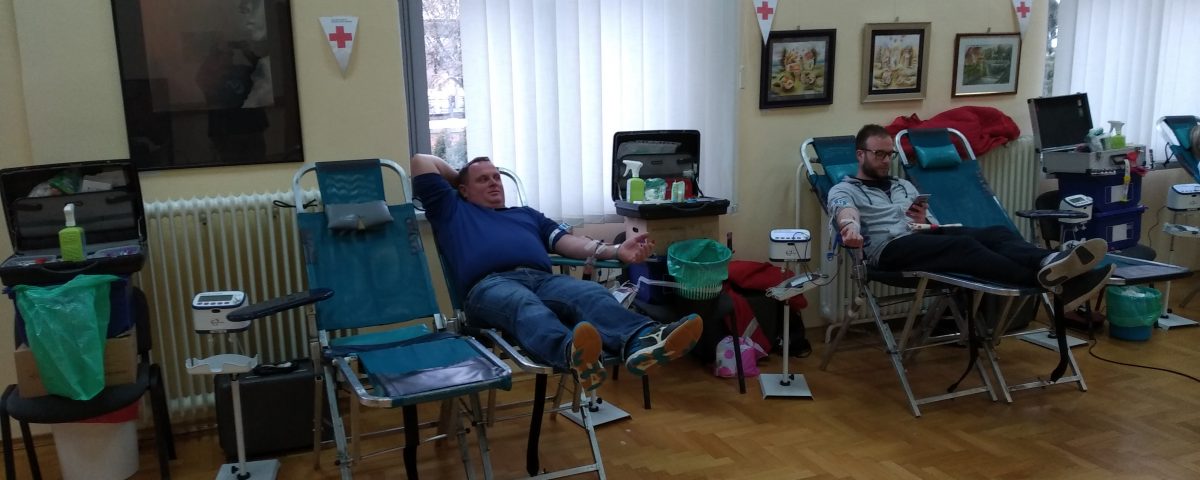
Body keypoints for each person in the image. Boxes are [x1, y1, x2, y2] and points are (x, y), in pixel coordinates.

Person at [410, 153, 703, 392]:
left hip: (542, 280)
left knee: (590, 292)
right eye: (483, 179)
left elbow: (568, 243)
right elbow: (421, 161)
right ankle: (572, 354)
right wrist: (460, 178)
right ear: (463, 190)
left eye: (497, 177)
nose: (494, 182)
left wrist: (616, 251)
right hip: (489, 286)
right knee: (523, 304)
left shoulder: (527, 215)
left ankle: (643, 341)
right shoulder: (452, 209)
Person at [828, 124, 1114, 311]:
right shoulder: (844, 189)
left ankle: (1050, 261)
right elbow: (845, 212)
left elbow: (929, 223)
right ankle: (1045, 283)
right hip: (888, 250)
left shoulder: (904, 185)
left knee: (995, 233)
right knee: (964, 247)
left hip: (920, 236)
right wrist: (850, 228)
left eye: (889, 155)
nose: (885, 160)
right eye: (878, 154)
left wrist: (924, 218)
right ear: (860, 155)